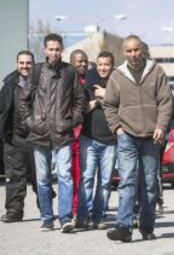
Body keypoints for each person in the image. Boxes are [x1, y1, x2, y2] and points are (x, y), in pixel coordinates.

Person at [103, 35, 172, 242]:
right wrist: (117, 129)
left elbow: (166, 102)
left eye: (136, 50)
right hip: (127, 137)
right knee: (127, 182)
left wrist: (161, 126)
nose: (133, 54)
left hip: (152, 138)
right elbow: (109, 105)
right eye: (129, 51)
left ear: (142, 49)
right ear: (124, 52)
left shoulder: (156, 71)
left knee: (150, 185)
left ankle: (147, 227)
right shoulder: (117, 75)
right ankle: (124, 227)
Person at [17, 33, 85, 232]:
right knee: (43, 178)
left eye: (57, 49)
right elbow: (22, 100)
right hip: (39, 134)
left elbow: (80, 101)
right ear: (45, 50)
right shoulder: (36, 71)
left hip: (63, 133)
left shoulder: (70, 72)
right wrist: (32, 122)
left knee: (65, 176)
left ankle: (65, 218)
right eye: (51, 49)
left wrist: (71, 122)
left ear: (62, 49)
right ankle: (47, 218)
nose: (54, 52)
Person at [76, 51, 117, 230]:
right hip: (89, 139)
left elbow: (123, 103)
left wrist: (105, 95)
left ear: (112, 66)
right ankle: (82, 217)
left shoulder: (117, 84)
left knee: (105, 182)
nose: (102, 68)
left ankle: (98, 217)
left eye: (106, 64)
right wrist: (98, 102)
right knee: (87, 179)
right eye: (100, 64)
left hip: (111, 140)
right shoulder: (88, 84)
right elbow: (83, 108)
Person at [0, 51, 38, 222]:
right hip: (14, 137)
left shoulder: (42, 83)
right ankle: (14, 211)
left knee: (40, 177)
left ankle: (46, 212)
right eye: (22, 63)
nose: (25, 66)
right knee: (14, 176)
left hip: (37, 137)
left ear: (33, 64)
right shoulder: (8, 85)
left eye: (28, 63)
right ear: (17, 64)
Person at [69, 49, 88, 219]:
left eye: (85, 62)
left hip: (86, 136)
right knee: (72, 176)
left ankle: (79, 209)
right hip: (71, 135)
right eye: (79, 61)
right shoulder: (67, 81)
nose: (83, 65)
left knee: (83, 175)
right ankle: (72, 210)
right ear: (72, 62)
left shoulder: (89, 81)